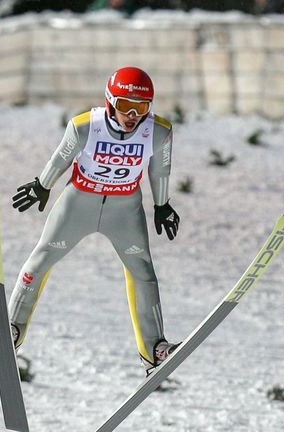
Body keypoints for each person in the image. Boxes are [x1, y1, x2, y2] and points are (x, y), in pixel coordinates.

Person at [9, 66, 180, 374]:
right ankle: (13, 329)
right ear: (109, 101)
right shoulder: (86, 125)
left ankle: (155, 348)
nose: (132, 115)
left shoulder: (158, 132)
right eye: (124, 105)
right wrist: (42, 184)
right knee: (41, 258)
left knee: (143, 273)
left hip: (124, 209)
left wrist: (162, 205)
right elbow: (61, 156)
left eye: (140, 107)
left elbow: (160, 171)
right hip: (80, 202)